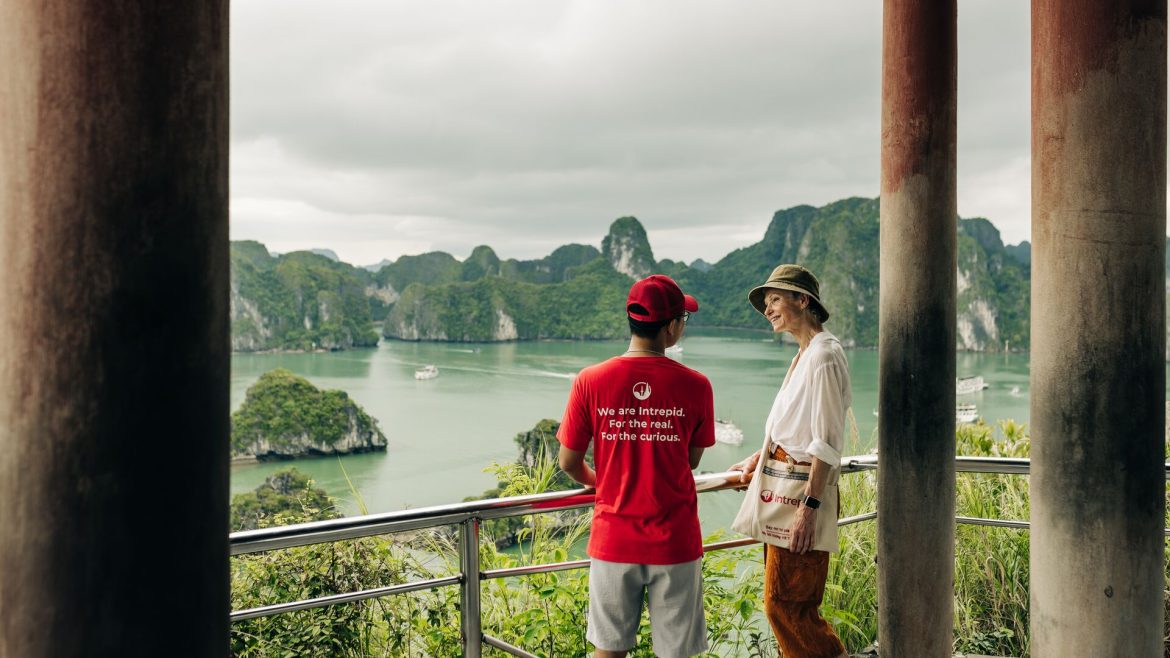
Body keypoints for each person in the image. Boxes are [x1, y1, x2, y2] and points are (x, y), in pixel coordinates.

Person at [557, 274, 715, 658]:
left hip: (613, 538)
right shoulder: (697, 385)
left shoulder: (590, 381)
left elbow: (568, 462)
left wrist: (604, 483)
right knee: (676, 653)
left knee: (608, 651)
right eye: (683, 320)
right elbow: (691, 461)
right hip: (675, 540)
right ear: (672, 327)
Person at [729, 264, 851, 658]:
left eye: (776, 299)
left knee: (788, 606)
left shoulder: (824, 355)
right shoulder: (804, 354)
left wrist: (809, 508)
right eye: (766, 303)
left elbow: (826, 441)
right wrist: (759, 456)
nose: (768, 309)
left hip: (800, 494)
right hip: (782, 488)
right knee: (783, 602)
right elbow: (791, 426)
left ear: (803, 300)